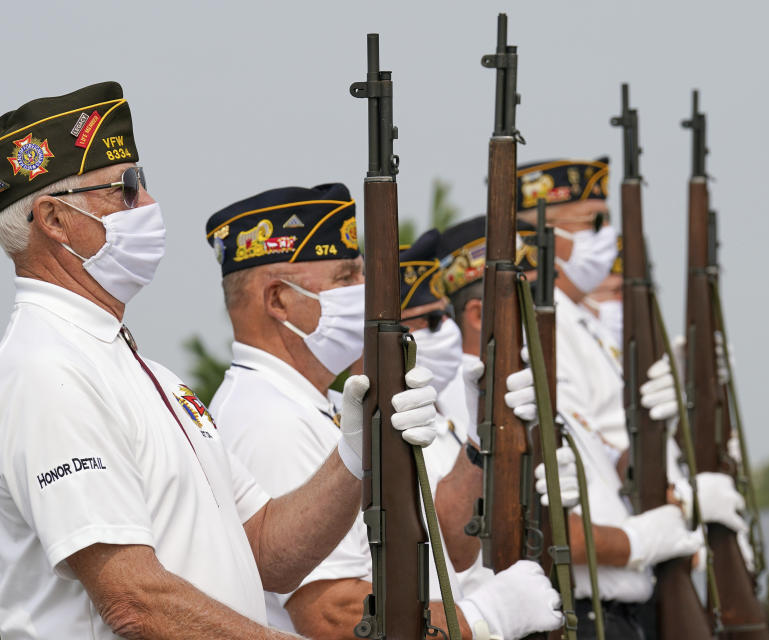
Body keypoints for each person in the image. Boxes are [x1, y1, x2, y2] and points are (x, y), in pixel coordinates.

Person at [0, 82, 435, 640]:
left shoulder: (139, 369)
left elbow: (262, 547)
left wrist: (354, 454)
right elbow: (133, 601)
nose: (149, 206)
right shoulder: (46, 370)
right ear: (55, 220)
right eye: (126, 188)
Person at [206, 186, 565, 640]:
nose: (368, 291)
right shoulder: (269, 421)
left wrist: (479, 440)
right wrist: (480, 618)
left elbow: (443, 550)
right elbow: (332, 614)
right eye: (346, 277)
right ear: (278, 300)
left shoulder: (323, 406)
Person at [434, 211, 705, 640]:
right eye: (529, 297)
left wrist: (660, 430)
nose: (549, 309)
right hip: (577, 615)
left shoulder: (536, 391)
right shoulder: (468, 401)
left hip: (618, 613)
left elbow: (606, 488)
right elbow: (532, 525)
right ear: (477, 314)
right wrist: (641, 540)